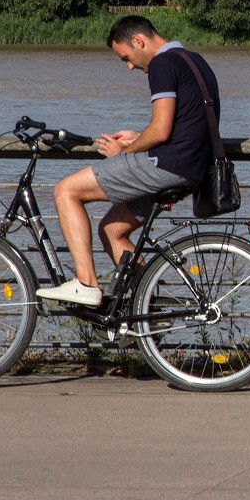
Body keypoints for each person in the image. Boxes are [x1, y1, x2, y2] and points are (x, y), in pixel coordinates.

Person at [35, 16, 220, 308]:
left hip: (167, 166)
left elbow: (160, 131)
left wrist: (123, 153)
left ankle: (85, 284)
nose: (130, 66)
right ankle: (144, 307)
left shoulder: (162, 64)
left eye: (126, 58)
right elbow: (182, 123)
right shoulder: (194, 60)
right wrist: (137, 137)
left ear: (138, 41)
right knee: (112, 230)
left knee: (66, 190)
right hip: (192, 167)